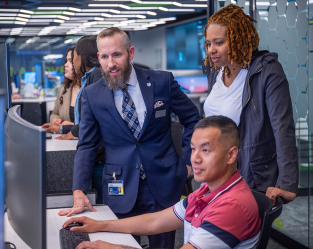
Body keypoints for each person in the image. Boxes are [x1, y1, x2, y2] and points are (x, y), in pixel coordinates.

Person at [58, 27, 201, 248]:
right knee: (121, 244)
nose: (111, 64)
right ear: (99, 57)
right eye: (104, 57)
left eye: (117, 55)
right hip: (120, 186)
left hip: (163, 183)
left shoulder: (162, 81)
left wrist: (189, 161)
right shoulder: (92, 94)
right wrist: (79, 189)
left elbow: (192, 118)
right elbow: (86, 145)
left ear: (130, 53)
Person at [63, 116, 261, 249]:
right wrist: (99, 225)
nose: (195, 158)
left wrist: (114, 248)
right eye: (193, 149)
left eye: (206, 150)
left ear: (231, 154)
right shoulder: (206, 193)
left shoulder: (232, 206)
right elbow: (154, 221)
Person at [202, 4, 298, 205]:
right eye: (208, 44)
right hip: (216, 174)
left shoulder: (266, 71)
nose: (212, 50)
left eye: (219, 43)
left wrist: (287, 183)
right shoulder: (216, 72)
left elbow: (283, 128)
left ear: (238, 40)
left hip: (250, 175)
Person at [52, 35, 103, 140]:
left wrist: (69, 131)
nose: (72, 62)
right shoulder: (89, 78)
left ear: (83, 57)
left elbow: (93, 119)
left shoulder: (96, 76)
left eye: (73, 57)